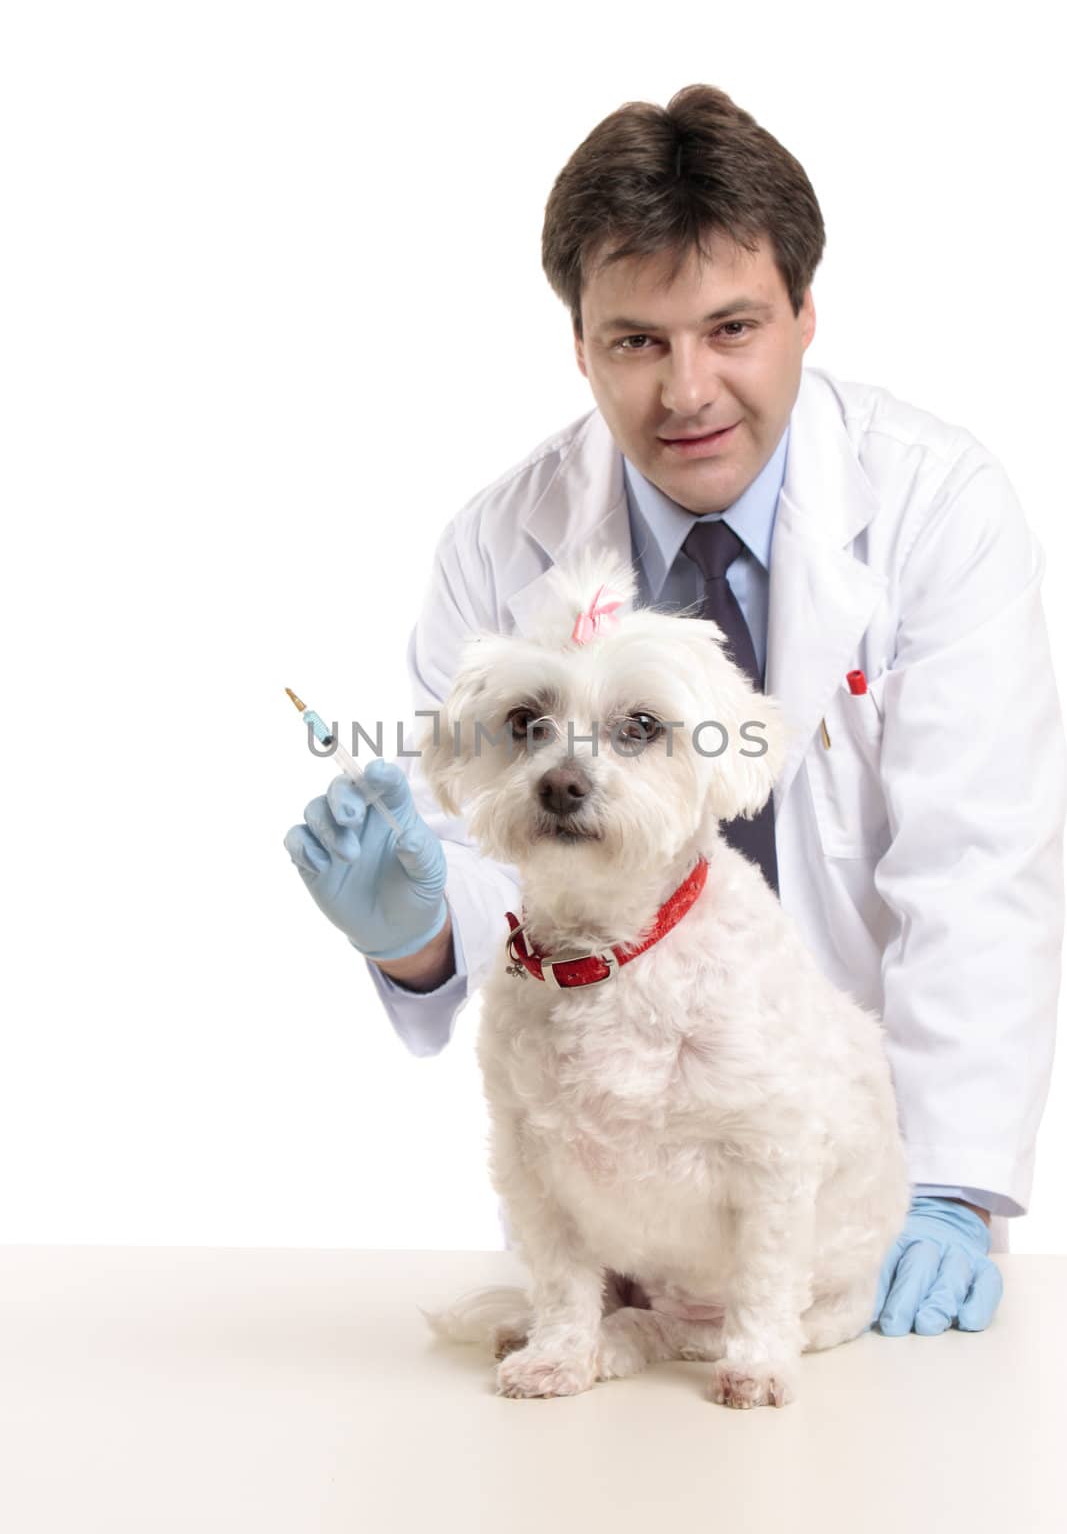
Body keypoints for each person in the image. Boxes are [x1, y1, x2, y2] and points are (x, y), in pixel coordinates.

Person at [284, 85, 1066, 1338]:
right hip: (618, 1191)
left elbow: (978, 863)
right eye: (635, 340)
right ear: (578, 344)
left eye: (732, 326)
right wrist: (418, 928)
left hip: (851, 1199)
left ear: (806, 314)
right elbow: (499, 849)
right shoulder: (502, 546)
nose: (687, 388)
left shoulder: (935, 509)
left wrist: (949, 1188)